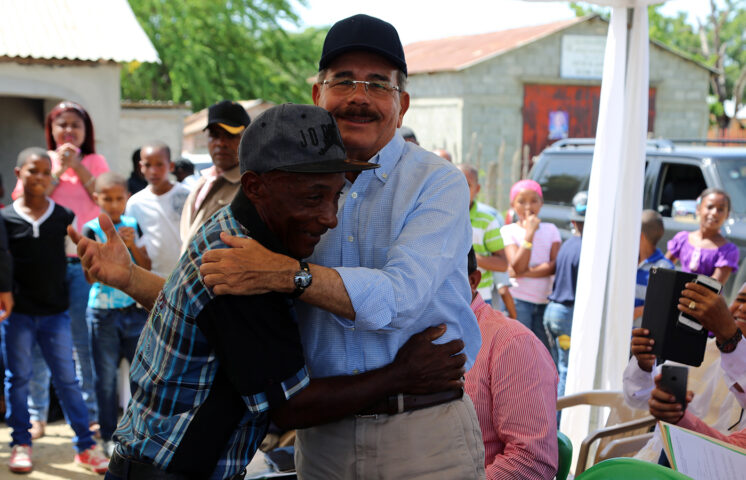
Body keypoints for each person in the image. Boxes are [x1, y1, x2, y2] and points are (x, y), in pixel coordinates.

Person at [72, 14, 484, 479]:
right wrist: (130, 278)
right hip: (319, 436)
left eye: (378, 84)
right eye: (343, 80)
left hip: (420, 434)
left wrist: (285, 274)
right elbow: (217, 305)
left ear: (403, 103)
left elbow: (399, 297)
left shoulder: (436, 184)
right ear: (318, 93)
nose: (359, 96)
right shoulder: (254, 234)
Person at [1, 148, 108, 473]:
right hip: (17, 315)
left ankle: (86, 447)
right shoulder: (6, 218)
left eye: (45, 173)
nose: (39, 178)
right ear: (19, 174)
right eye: (32, 171)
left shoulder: (62, 216)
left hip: (55, 313)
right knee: (18, 379)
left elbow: (77, 259)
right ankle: (21, 442)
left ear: (52, 178)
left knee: (67, 379)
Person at [464, 248, 558, 478]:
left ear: (472, 281)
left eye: (438, 277)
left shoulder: (511, 344)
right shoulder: (408, 335)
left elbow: (531, 461)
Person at [625, 281, 746, 461]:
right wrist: (644, 365)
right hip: (655, 460)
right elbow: (638, 399)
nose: (742, 308)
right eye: (740, 299)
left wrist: (730, 338)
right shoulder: (698, 350)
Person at [81, 172, 150, 458]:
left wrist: (131, 245)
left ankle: (138, 435)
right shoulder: (90, 229)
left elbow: (146, 265)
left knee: (141, 376)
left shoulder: (133, 225)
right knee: (105, 378)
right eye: (106, 198)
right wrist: (105, 257)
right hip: (103, 314)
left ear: (127, 198)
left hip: (134, 311)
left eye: (118, 198)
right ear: (96, 199)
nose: (113, 204)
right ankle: (109, 436)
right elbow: (88, 278)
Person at [180, 101, 250, 251]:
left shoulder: (249, 187)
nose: (220, 143)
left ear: (247, 138)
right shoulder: (204, 180)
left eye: (229, 135)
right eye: (214, 134)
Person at [500, 179, 561, 351]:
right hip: (519, 301)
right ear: (513, 205)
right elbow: (516, 265)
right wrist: (530, 233)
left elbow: (553, 266)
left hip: (544, 301)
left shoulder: (551, 230)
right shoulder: (508, 231)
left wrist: (523, 272)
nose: (528, 207)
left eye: (534, 200)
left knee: (543, 351)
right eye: (521, 201)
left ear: (541, 203)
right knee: (518, 350)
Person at [125, 141, 189, 278]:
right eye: (148, 165)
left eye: (159, 164)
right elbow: (134, 245)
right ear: (141, 167)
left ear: (171, 166)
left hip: (186, 275)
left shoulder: (187, 195)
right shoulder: (135, 203)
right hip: (153, 278)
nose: (153, 171)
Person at [543, 191, 586, 397]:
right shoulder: (586, 249)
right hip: (566, 314)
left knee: (558, 370)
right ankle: (558, 422)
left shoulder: (568, 244)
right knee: (566, 370)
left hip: (553, 312)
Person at [457, 164, 510, 309]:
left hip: (480, 297)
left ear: (477, 189)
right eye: (455, 183)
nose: (460, 189)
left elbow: (502, 264)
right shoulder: (438, 216)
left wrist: (470, 258)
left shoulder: (487, 221)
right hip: (447, 295)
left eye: (467, 185)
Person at [666, 188, 739, 285]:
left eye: (721, 209)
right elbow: (664, 267)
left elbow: (714, 284)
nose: (714, 213)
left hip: (704, 299)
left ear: (727, 215)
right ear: (698, 209)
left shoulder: (727, 250)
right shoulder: (682, 239)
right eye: (710, 207)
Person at [634, 210, 675, 326]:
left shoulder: (664, 268)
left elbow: (664, 305)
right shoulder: (628, 262)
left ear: (640, 235)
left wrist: (636, 312)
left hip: (641, 339)